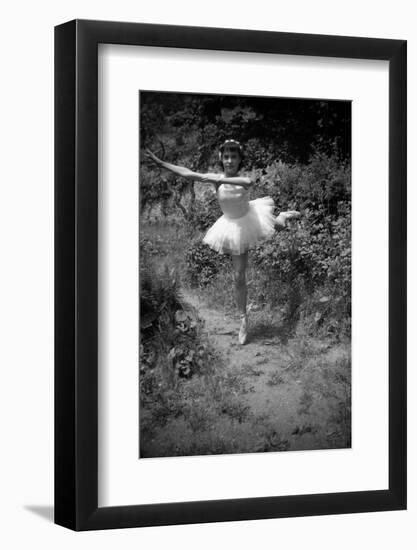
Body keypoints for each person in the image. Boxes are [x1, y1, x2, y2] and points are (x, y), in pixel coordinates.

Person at [145, 139, 300, 345]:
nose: (229, 160)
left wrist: (220, 179)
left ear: (239, 159)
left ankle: (284, 215)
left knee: (276, 225)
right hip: (232, 226)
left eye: (234, 157)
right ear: (221, 158)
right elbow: (188, 173)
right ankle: (244, 319)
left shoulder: (243, 178)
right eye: (226, 157)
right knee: (238, 277)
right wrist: (162, 163)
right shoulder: (215, 179)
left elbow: (248, 183)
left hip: (249, 218)